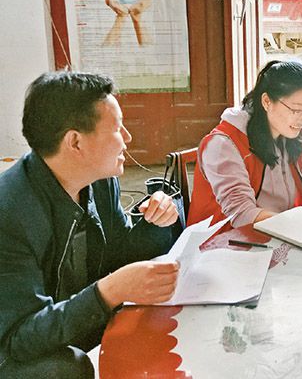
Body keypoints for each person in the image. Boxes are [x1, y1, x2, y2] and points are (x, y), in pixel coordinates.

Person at [0, 71, 180, 378]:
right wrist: (108, 291)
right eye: (117, 128)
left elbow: (119, 252)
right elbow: (20, 339)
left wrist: (158, 220)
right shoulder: (9, 211)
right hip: (14, 348)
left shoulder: (100, 180)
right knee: (66, 369)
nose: (128, 138)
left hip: (67, 320)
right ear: (75, 142)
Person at [189, 60, 302, 228]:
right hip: (228, 238)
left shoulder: (301, 135)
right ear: (267, 102)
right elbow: (242, 214)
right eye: (296, 109)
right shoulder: (224, 144)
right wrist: (298, 225)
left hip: (281, 230)